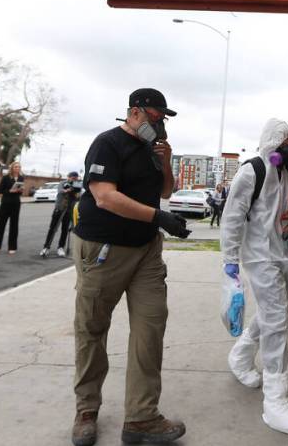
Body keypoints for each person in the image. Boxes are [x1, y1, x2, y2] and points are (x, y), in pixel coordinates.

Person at [71, 88, 192, 446]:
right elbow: (104, 196)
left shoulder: (151, 150)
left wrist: (166, 160)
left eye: (165, 118)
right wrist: (159, 217)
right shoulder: (108, 143)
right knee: (92, 330)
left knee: (150, 328)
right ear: (136, 112)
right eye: (157, 116)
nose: (161, 123)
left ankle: (141, 418)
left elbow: (167, 190)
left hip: (146, 252)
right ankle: (86, 411)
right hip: (103, 249)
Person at [221, 118, 288, 436]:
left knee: (275, 315)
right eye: (282, 144)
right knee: (277, 323)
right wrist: (230, 261)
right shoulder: (253, 170)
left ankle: (241, 355)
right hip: (259, 256)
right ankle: (276, 401)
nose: (287, 149)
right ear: (271, 144)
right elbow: (232, 217)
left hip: (286, 254)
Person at [41, 171, 81, 258]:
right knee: (53, 228)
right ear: (68, 177)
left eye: (75, 178)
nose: (73, 180)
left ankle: (61, 247)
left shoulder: (77, 185)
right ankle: (46, 247)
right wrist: (67, 190)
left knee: (65, 230)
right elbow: (60, 191)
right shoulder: (63, 183)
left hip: (68, 210)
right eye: (72, 178)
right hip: (59, 209)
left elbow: (79, 196)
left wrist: (77, 193)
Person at [0, 162, 24, 255]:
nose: (17, 168)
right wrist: (10, 191)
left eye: (19, 167)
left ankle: (12, 247)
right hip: (5, 203)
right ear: (12, 168)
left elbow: (20, 192)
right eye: (16, 167)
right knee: (1, 224)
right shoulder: (6, 177)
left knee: (14, 226)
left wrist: (20, 190)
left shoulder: (21, 178)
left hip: (16, 204)